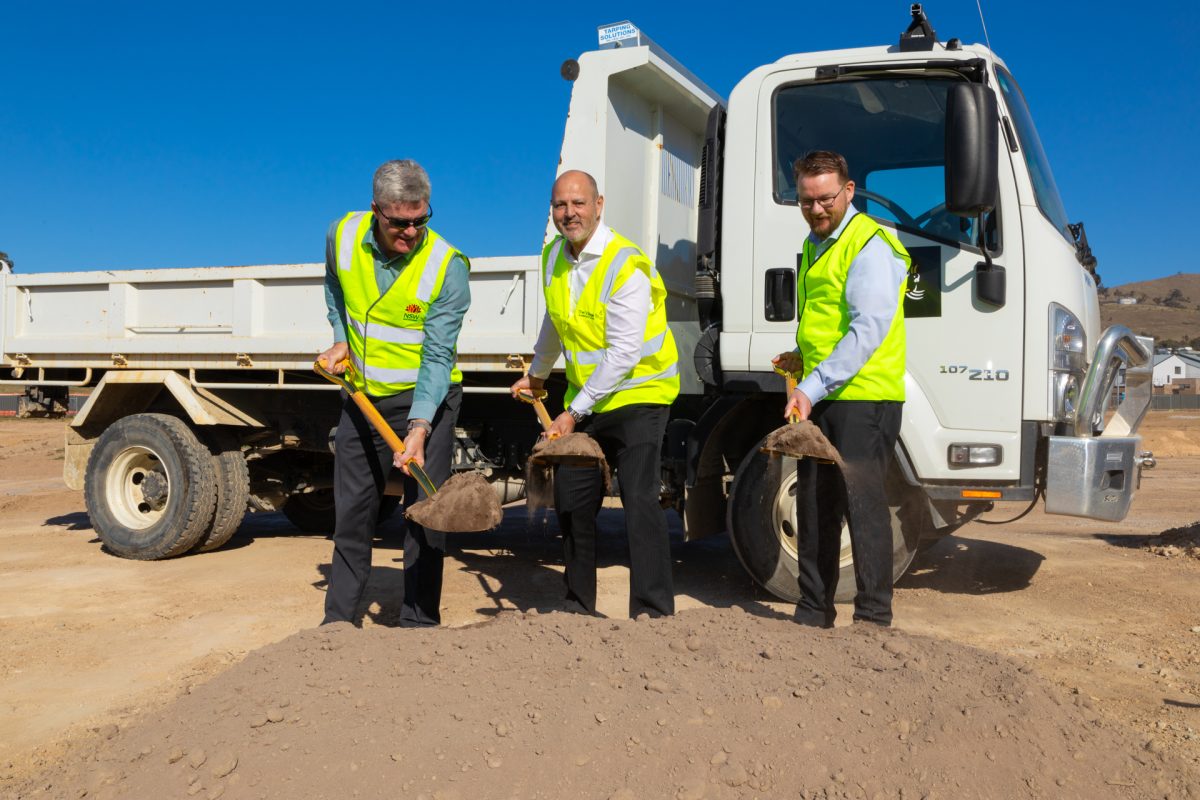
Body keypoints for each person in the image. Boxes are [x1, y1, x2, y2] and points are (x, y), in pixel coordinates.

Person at [511, 170, 678, 618]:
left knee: (640, 498)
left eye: (579, 203)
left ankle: (653, 612)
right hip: (588, 398)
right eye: (561, 205)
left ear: (599, 205)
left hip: (639, 393)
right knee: (573, 500)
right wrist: (538, 375)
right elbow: (555, 321)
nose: (570, 213)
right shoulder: (552, 259)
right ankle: (577, 607)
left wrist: (572, 413)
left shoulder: (626, 262)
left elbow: (624, 353)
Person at [317, 159, 470, 627]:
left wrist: (419, 427)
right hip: (362, 398)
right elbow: (334, 289)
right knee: (353, 512)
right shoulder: (342, 235)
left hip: (430, 402)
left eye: (420, 220)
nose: (410, 232)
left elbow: (438, 357)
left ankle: (419, 622)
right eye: (399, 222)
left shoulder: (448, 265)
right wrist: (340, 335)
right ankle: (339, 623)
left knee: (423, 515)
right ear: (375, 211)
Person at [774, 150, 910, 628]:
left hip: (864, 398)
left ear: (848, 192)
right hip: (827, 393)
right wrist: (803, 359)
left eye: (826, 199)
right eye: (806, 201)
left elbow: (867, 329)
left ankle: (873, 618)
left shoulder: (870, 243)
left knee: (863, 506)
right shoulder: (816, 243)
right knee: (815, 506)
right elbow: (827, 322)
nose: (816, 209)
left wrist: (810, 385)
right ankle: (814, 609)